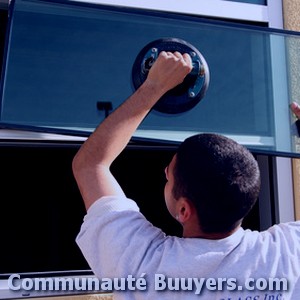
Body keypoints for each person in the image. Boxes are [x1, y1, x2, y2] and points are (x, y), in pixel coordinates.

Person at [73, 51, 300, 299]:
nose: (164, 172)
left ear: (184, 210)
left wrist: (154, 86)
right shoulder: (288, 254)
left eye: (169, 175)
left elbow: (91, 164)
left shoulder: (146, 268)